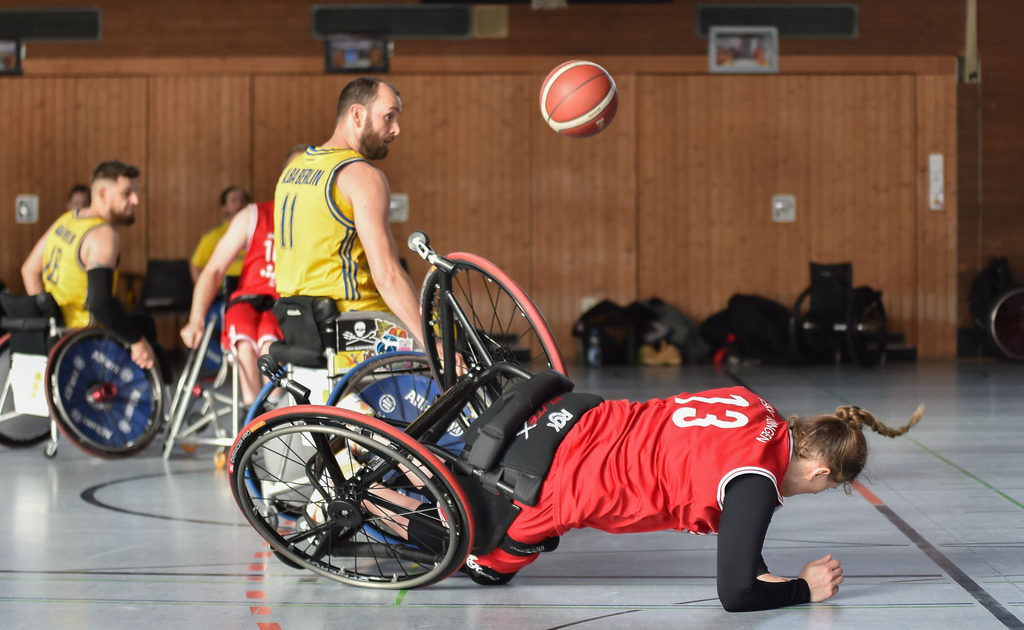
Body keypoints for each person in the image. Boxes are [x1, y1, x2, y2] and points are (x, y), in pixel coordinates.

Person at [450, 386, 925, 612]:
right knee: (486, 565)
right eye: (825, 487)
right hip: (559, 481)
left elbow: (714, 475)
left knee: (458, 477)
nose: (813, 493)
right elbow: (736, 595)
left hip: (573, 417)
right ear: (822, 472)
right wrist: (804, 589)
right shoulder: (756, 483)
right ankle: (378, 503)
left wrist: (754, 562)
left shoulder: (757, 407)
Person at [273, 77, 425, 348]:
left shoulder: (293, 172)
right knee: (455, 338)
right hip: (352, 322)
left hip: (297, 324)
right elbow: (387, 275)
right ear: (358, 114)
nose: (397, 129)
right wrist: (432, 343)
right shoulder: (361, 176)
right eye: (388, 117)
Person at [179, 145, 307, 404]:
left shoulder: (319, 221)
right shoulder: (254, 215)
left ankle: (273, 406)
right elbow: (212, 270)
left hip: (287, 303)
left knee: (270, 342)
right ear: (283, 177)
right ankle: (253, 409)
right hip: (248, 298)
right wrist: (195, 319)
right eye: (295, 172)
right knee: (244, 340)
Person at [21, 160, 156, 370]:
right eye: (127, 193)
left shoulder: (66, 220)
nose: (136, 200)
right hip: (86, 343)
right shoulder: (103, 235)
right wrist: (137, 342)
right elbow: (100, 304)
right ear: (102, 194)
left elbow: (29, 271)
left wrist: (50, 324)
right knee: (146, 336)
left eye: (136, 192)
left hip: (59, 339)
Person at [189, 185, 251, 282]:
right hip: (223, 293)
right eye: (234, 201)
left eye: (243, 201)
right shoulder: (213, 236)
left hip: (253, 291)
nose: (239, 204)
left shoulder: (256, 232)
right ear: (224, 208)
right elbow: (196, 266)